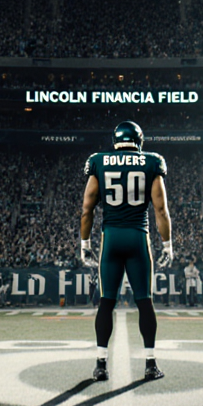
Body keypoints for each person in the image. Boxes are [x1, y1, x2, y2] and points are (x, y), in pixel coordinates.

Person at [80, 121, 172, 382]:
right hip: (137, 237)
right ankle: (151, 364)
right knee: (144, 301)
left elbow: (87, 209)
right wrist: (168, 244)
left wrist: (84, 244)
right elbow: (161, 210)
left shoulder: (99, 160)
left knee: (106, 302)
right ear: (139, 140)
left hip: (111, 239)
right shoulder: (152, 162)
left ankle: (100, 364)